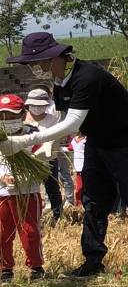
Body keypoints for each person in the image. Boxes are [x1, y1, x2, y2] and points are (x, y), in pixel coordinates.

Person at [3, 32, 128, 274]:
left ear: (54, 57)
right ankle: (93, 261)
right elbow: (62, 121)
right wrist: (46, 151)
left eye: (36, 62)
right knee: (93, 202)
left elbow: (72, 123)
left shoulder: (87, 77)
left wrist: (28, 139)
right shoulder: (60, 84)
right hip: (97, 143)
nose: (34, 69)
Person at [0, 93, 46, 280]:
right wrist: (2, 177)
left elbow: (42, 159)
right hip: (2, 193)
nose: (7, 120)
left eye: (11, 115)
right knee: (2, 233)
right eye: (3, 116)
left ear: (21, 114)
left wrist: (26, 174)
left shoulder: (32, 135)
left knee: (30, 232)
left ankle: (36, 267)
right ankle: (5, 269)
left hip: (27, 191)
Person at [24, 89, 67, 223]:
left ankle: (58, 215)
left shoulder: (53, 119)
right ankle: (29, 216)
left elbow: (57, 137)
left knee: (52, 187)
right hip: (27, 160)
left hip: (48, 159)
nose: (37, 108)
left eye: (41, 105)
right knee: (28, 189)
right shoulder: (22, 119)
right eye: (34, 105)